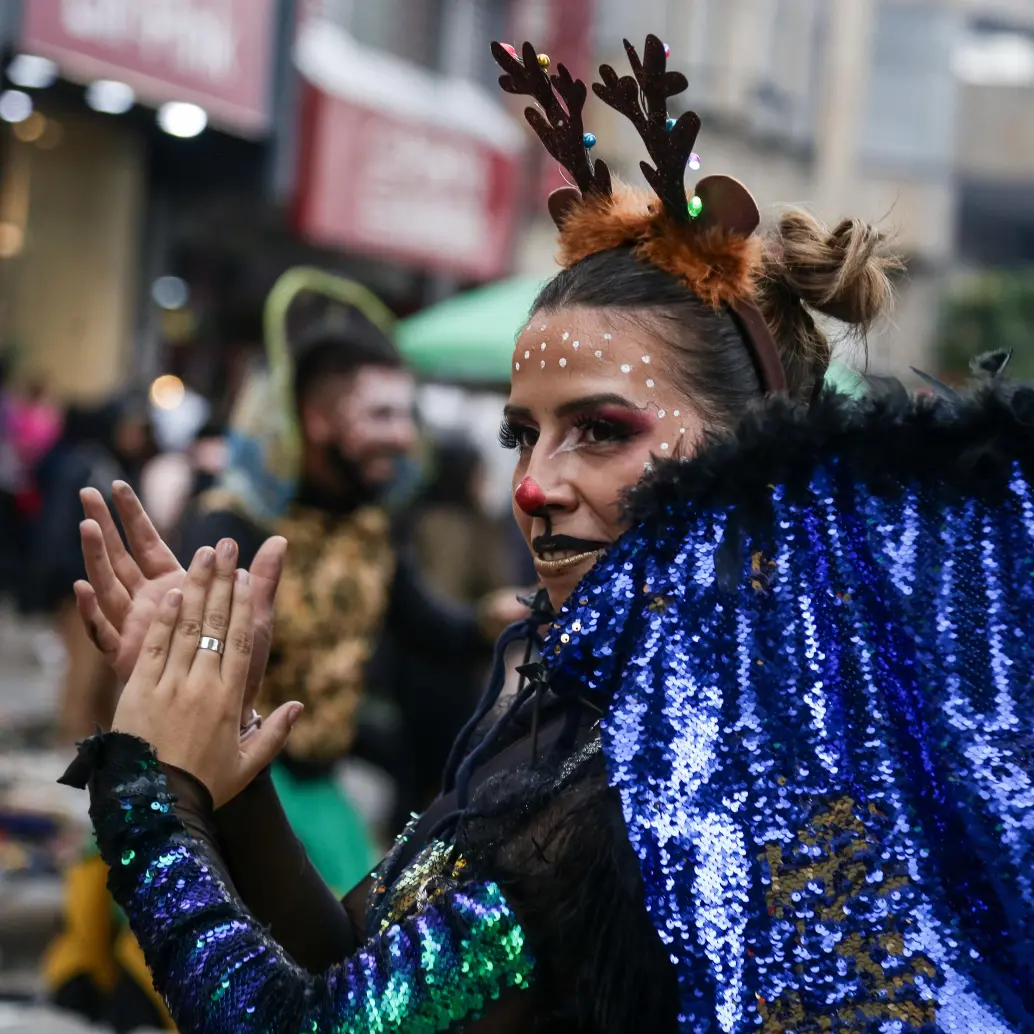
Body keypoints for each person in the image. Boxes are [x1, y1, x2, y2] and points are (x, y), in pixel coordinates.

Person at [58, 36, 1034, 1034]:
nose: (531, 486)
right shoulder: (573, 722)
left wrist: (148, 786)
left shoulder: (678, 769)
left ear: (751, 450)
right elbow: (356, 968)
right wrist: (226, 785)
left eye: (600, 431)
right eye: (521, 433)